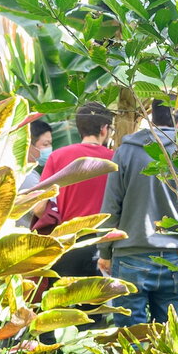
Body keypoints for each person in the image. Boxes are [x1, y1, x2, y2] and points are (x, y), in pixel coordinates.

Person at [99, 100, 178, 324]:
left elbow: (111, 207)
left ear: (151, 118)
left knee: (130, 339)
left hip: (129, 256)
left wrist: (104, 252)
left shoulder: (125, 152)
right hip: (173, 259)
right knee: (169, 340)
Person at [34, 102, 116, 274]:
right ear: (104, 128)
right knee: (97, 299)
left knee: (63, 298)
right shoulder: (116, 159)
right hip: (103, 246)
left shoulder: (57, 157)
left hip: (67, 243)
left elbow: (38, 207)